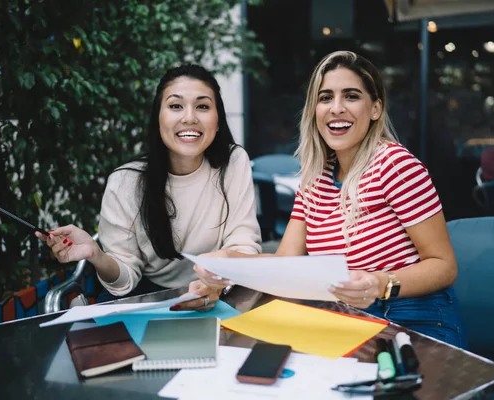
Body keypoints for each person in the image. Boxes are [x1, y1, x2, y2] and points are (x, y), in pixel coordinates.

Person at [195, 51, 466, 348]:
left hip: (414, 320)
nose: (336, 108)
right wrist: (226, 261)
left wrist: (380, 283)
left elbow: (443, 266)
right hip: (353, 323)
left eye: (351, 96)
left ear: (375, 108)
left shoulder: (395, 164)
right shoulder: (314, 178)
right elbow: (285, 265)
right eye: (325, 98)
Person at [37, 65, 261, 310]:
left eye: (203, 106)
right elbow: (123, 280)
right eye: (175, 106)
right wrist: (96, 254)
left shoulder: (234, 162)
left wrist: (216, 284)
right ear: (158, 118)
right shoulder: (125, 182)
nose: (189, 117)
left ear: (218, 121)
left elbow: (243, 244)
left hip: (219, 293)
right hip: (148, 301)